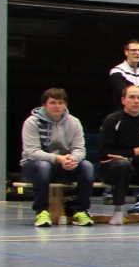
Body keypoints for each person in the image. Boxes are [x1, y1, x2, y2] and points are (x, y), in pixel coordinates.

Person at [20, 87, 95, 228]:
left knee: (87, 166)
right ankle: (41, 212)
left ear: (65, 105)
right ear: (44, 105)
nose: (57, 106)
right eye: (53, 103)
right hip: (35, 165)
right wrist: (58, 159)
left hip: (65, 164)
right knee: (43, 166)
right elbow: (32, 152)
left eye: (60, 103)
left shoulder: (74, 122)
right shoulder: (32, 122)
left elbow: (79, 149)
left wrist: (72, 159)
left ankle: (80, 211)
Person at [99, 83, 139, 224]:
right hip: (113, 170)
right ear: (123, 100)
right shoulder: (112, 121)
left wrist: (129, 157)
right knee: (122, 164)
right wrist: (133, 152)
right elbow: (106, 153)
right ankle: (118, 211)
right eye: (132, 97)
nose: (136, 101)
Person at [107, 39, 139, 109]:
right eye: (134, 50)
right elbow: (124, 93)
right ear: (126, 52)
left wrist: (132, 90)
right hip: (122, 112)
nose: (137, 53)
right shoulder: (117, 71)